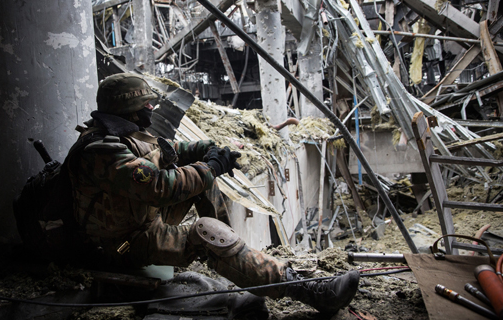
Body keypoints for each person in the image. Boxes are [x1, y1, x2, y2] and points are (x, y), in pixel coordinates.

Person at [67, 72, 360, 315]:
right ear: (127, 108)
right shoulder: (103, 151)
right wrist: (209, 167)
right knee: (206, 231)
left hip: (140, 222)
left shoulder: (124, 133)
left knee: (204, 185)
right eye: (147, 105)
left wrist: (205, 150)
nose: (151, 109)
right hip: (121, 247)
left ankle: (230, 257)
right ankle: (310, 291)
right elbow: (159, 187)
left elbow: (162, 150)